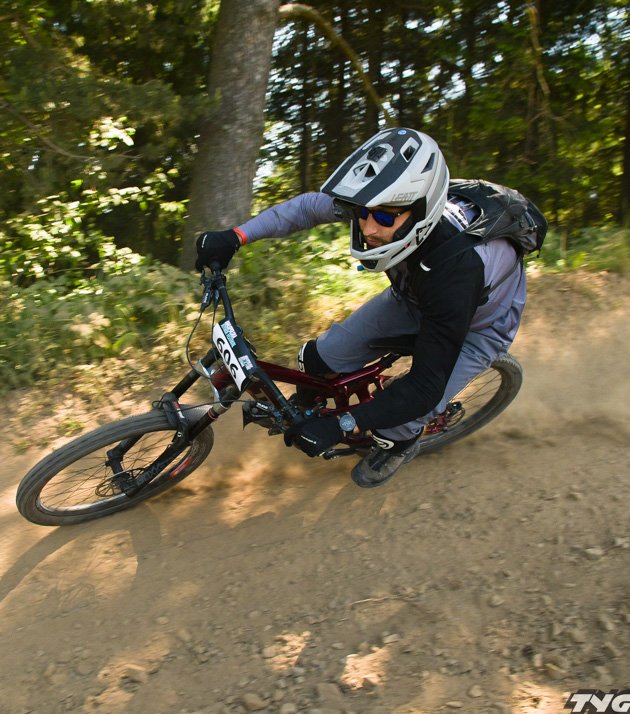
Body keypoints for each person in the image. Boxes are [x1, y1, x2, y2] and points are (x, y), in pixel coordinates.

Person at [193, 127, 534, 489]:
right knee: (318, 360)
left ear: (421, 211)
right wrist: (236, 237)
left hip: (479, 327)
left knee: (395, 423)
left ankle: (401, 445)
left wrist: (340, 425)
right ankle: (309, 411)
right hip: (414, 297)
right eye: (364, 213)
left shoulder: (456, 271)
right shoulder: (384, 201)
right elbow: (307, 208)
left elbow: (424, 389)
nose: (369, 228)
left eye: (385, 218)